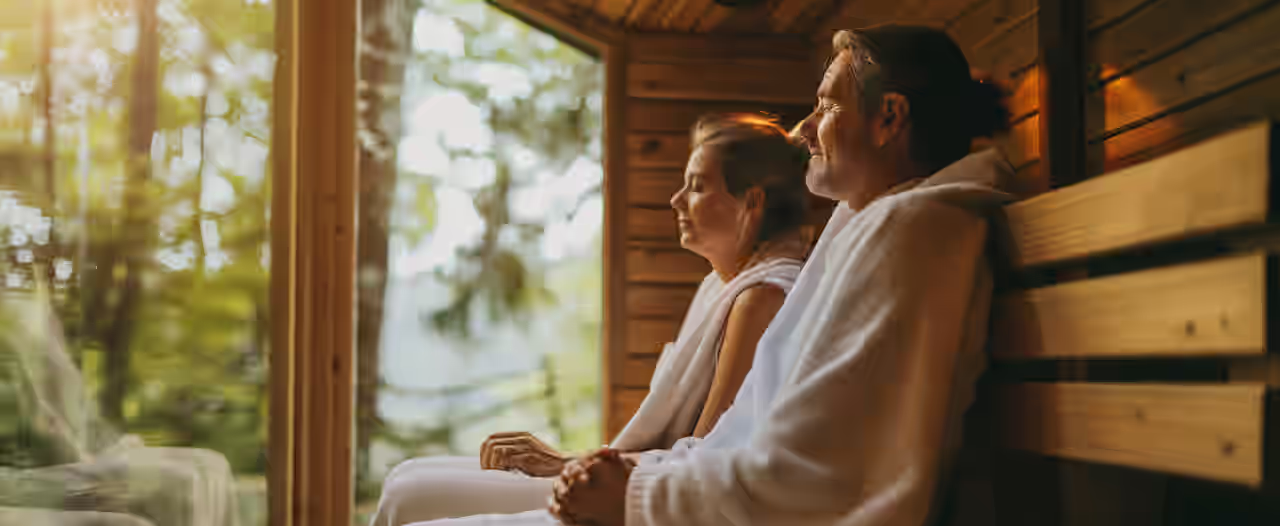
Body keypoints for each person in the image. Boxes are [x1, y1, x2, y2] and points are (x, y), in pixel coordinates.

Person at [408, 23, 1015, 526]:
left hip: (708, 505)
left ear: (889, 118)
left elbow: (820, 476)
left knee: (414, 501)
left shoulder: (912, 234)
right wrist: (629, 475)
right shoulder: (872, 229)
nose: (804, 128)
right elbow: (747, 440)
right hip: (697, 490)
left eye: (828, 104)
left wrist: (632, 493)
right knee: (413, 489)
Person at [368, 113, 813, 526]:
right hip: (645, 474)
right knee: (408, 475)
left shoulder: (764, 298)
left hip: (660, 497)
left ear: (751, 202)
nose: (676, 200)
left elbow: (706, 458)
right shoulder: (721, 287)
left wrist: (571, 465)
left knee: (410, 496)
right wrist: (577, 460)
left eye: (696, 186)